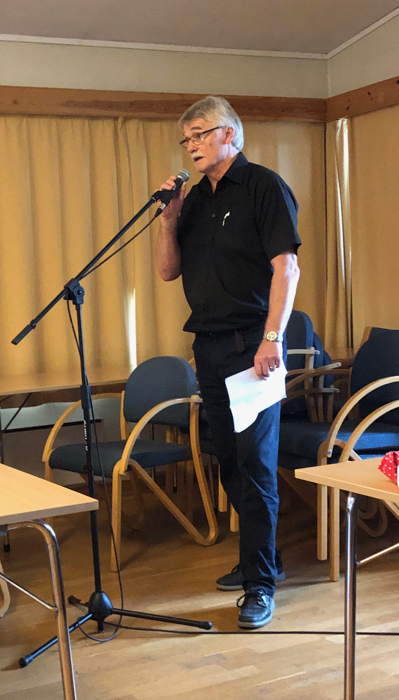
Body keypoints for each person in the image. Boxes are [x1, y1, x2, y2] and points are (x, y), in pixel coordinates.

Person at [156, 96, 300, 629]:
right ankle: (265, 559)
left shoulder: (263, 187)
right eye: (186, 138)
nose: (191, 145)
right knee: (229, 459)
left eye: (200, 133)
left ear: (230, 134)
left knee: (256, 463)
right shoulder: (193, 199)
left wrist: (272, 338)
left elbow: (287, 268)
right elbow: (168, 271)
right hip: (210, 347)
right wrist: (168, 220)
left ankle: (260, 585)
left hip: (253, 346)